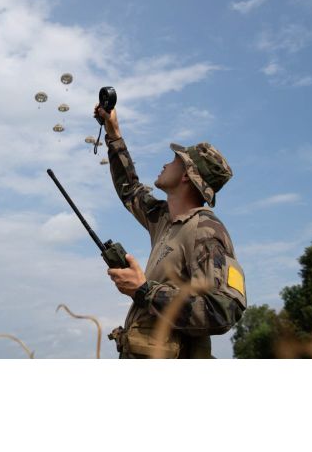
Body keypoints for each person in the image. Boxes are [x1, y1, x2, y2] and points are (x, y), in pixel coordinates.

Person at [94, 103, 247, 358]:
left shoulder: (206, 231)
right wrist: (113, 134)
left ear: (187, 175)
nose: (166, 164)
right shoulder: (166, 220)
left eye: (175, 160)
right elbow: (130, 190)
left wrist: (144, 291)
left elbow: (223, 310)